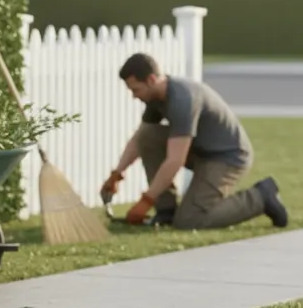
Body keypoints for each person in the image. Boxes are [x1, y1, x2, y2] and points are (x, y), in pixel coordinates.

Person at [101, 52, 287, 229]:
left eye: (136, 89)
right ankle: (166, 211)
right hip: (202, 153)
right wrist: (117, 174)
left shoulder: (182, 100)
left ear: (151, 80)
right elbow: (139, 139)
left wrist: (145, 202)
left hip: (227, 159)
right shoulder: (156, 97)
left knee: (190, 220)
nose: (134, 96)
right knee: (148, 136)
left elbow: (175, 160)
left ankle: (261, 197)